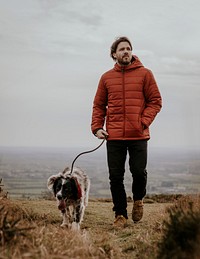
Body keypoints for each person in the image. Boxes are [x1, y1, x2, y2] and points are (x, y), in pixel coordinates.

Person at [91, 36, 162, 228]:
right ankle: (120, 215)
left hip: (138, 135)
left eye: (128, 48)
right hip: (114, 137)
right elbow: (98, 105)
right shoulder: (106, 78)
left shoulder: (145, 74)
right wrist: (97, 128)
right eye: (121, 49)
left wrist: (143, 122)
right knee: (116, 177)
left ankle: (138, 200)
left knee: (139, 172)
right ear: (114, 54)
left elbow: (155, 101)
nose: (126, 51)